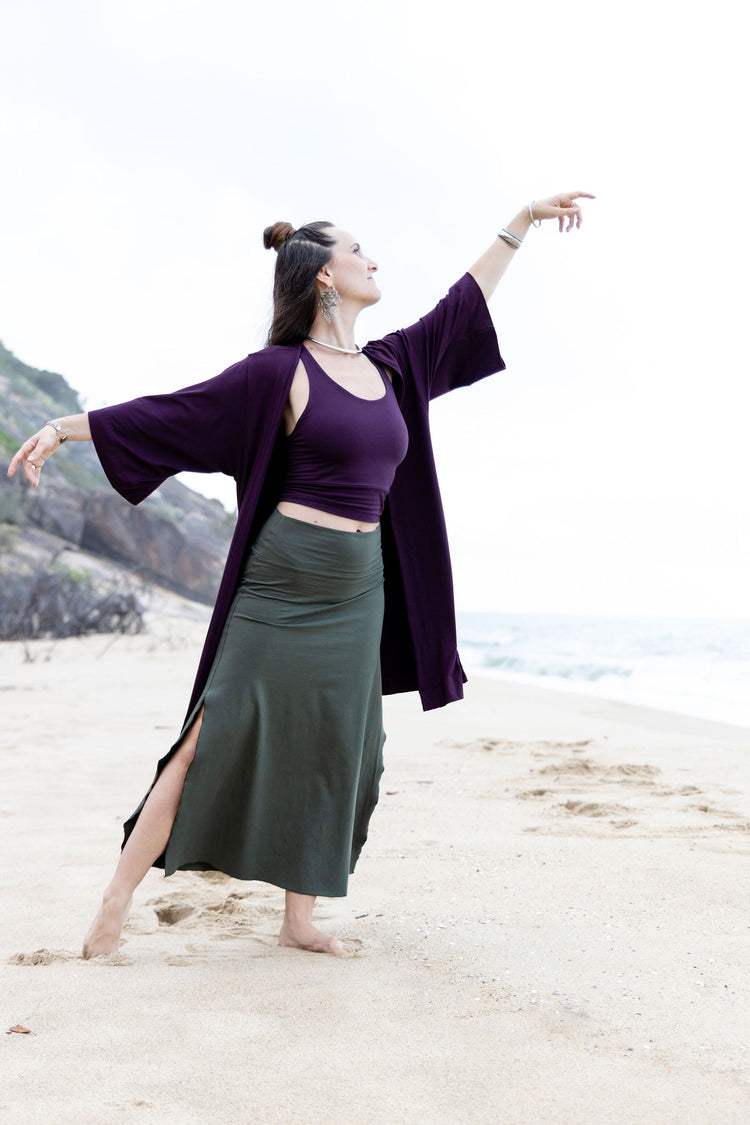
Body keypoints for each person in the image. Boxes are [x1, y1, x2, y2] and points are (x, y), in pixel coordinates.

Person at [7, 190, 594, 958]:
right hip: (281, 584)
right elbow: (171, 415)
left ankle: (300, 917)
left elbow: (463, 305)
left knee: (336, 744)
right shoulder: (276, 373)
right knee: (206, 737)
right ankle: (113, 902)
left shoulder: (392, 366)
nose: (374, 260)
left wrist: (520, 222)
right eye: (359, 250)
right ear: (322, 274)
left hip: (358, 592)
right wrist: (63, 426)